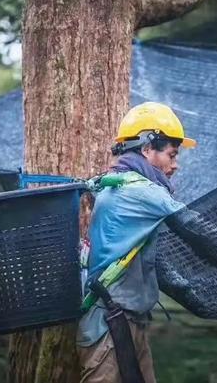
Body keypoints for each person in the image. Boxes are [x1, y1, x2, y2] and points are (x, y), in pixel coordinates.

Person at [76, 102, 195, 383]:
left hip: (127, 319)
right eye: (171, 155)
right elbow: (196, 227)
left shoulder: (122, 185)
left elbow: (146, 258)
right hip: (107, 324)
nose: (175, 165)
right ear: (146, 149)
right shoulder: (140, 191)